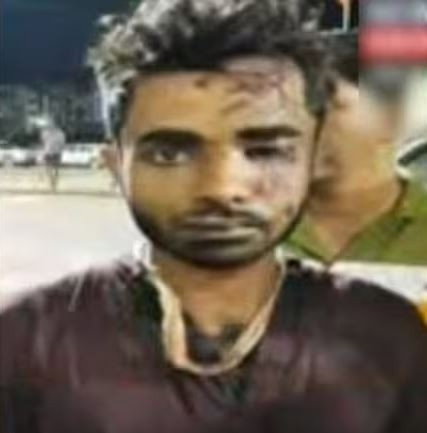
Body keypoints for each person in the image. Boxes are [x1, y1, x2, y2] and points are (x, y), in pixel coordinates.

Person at [1, 1, 426, 433]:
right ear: (115, 166)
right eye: (170, 153)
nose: (222, 187)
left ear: (310, 158)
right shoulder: (26, 340)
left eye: (265, 150)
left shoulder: (388, 336)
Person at [40, 121, 66, 191]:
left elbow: (43, 142)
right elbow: (62, 144)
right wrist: (60, 149)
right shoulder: (61, 133)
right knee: (56, 168)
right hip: (56, 152)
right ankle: (54, 181)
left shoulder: (45, 133)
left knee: (48, 167)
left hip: (48, 152)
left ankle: (52, 180)